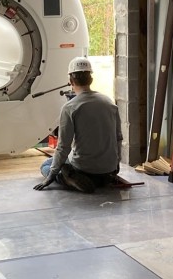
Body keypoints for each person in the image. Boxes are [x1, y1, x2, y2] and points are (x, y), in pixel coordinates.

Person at [34, 56, 122, 194]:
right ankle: (102, 178)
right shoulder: (109, 102)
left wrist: (51, 176)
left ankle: (69, 178)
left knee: (46, 165)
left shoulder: (70, 108)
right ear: (91, 79)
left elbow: (63, 147)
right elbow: (118, 138)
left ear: (70, 81)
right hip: (109, 169)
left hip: (84, 169)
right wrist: (115, 164)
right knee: (62, 161)